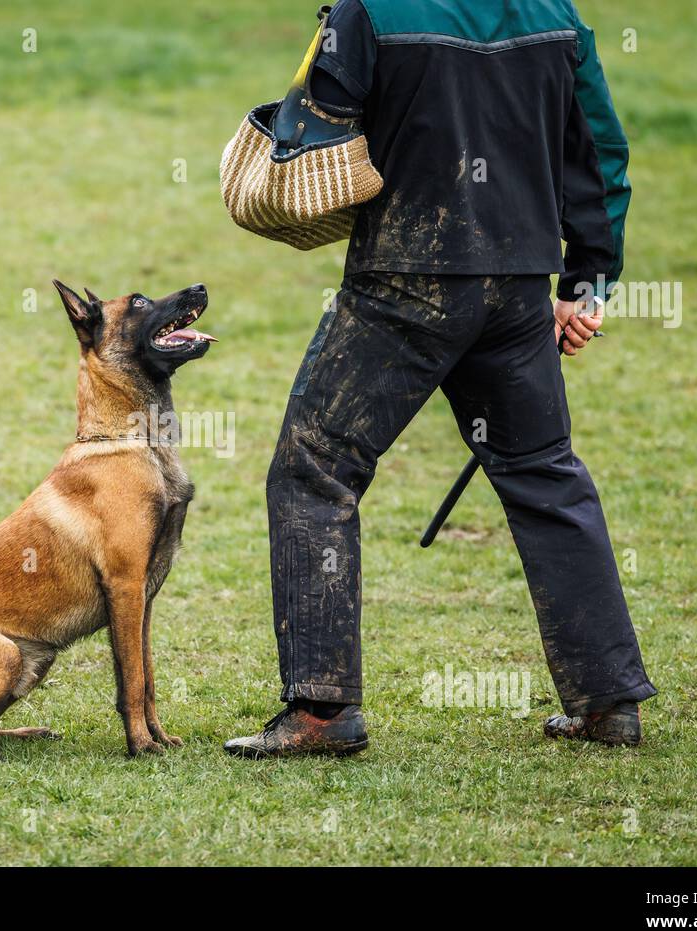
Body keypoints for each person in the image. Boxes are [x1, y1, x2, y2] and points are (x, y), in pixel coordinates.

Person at [224, 0, 657, 757]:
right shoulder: (555, 13)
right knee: (543, 475)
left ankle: (322, 712)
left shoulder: (368, 10)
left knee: (315, 467)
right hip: (520, 281)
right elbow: (596, 150)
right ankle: (608, 702)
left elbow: (313, 129)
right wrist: (585, 284)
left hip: (406, 276)